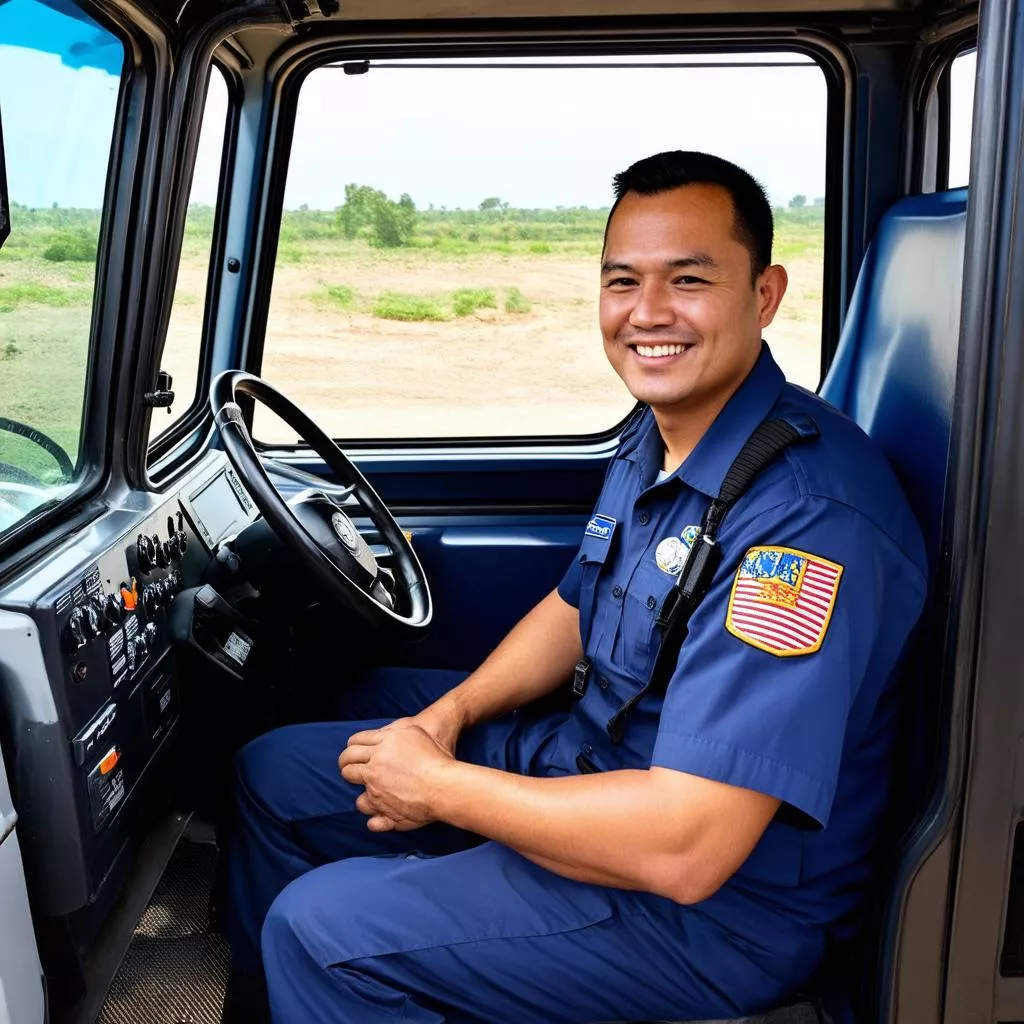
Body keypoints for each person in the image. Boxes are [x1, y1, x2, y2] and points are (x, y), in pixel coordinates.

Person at [222, 151, 928, 1023]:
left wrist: (437, 787)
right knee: (277, 773)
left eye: (689, 280)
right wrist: (451, 720)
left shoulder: (805, 523)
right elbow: (573, 607)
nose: (649, 314)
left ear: (766, 295)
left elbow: (688, 847)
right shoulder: (665, 430)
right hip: (592, 759)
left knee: (319, 933)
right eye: (623, 281)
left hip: (714, 913)